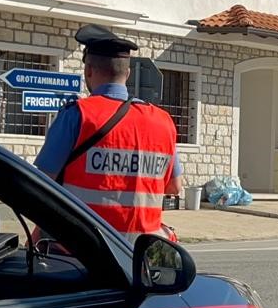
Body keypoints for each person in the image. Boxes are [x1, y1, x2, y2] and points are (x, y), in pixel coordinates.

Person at [34, 24, 182, 240]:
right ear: (127, 74)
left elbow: (42, 185)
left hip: (82, 249)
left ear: (88, 70)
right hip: (140, 250)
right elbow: (175, 186)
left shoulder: (78, 115)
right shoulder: (163, 122)